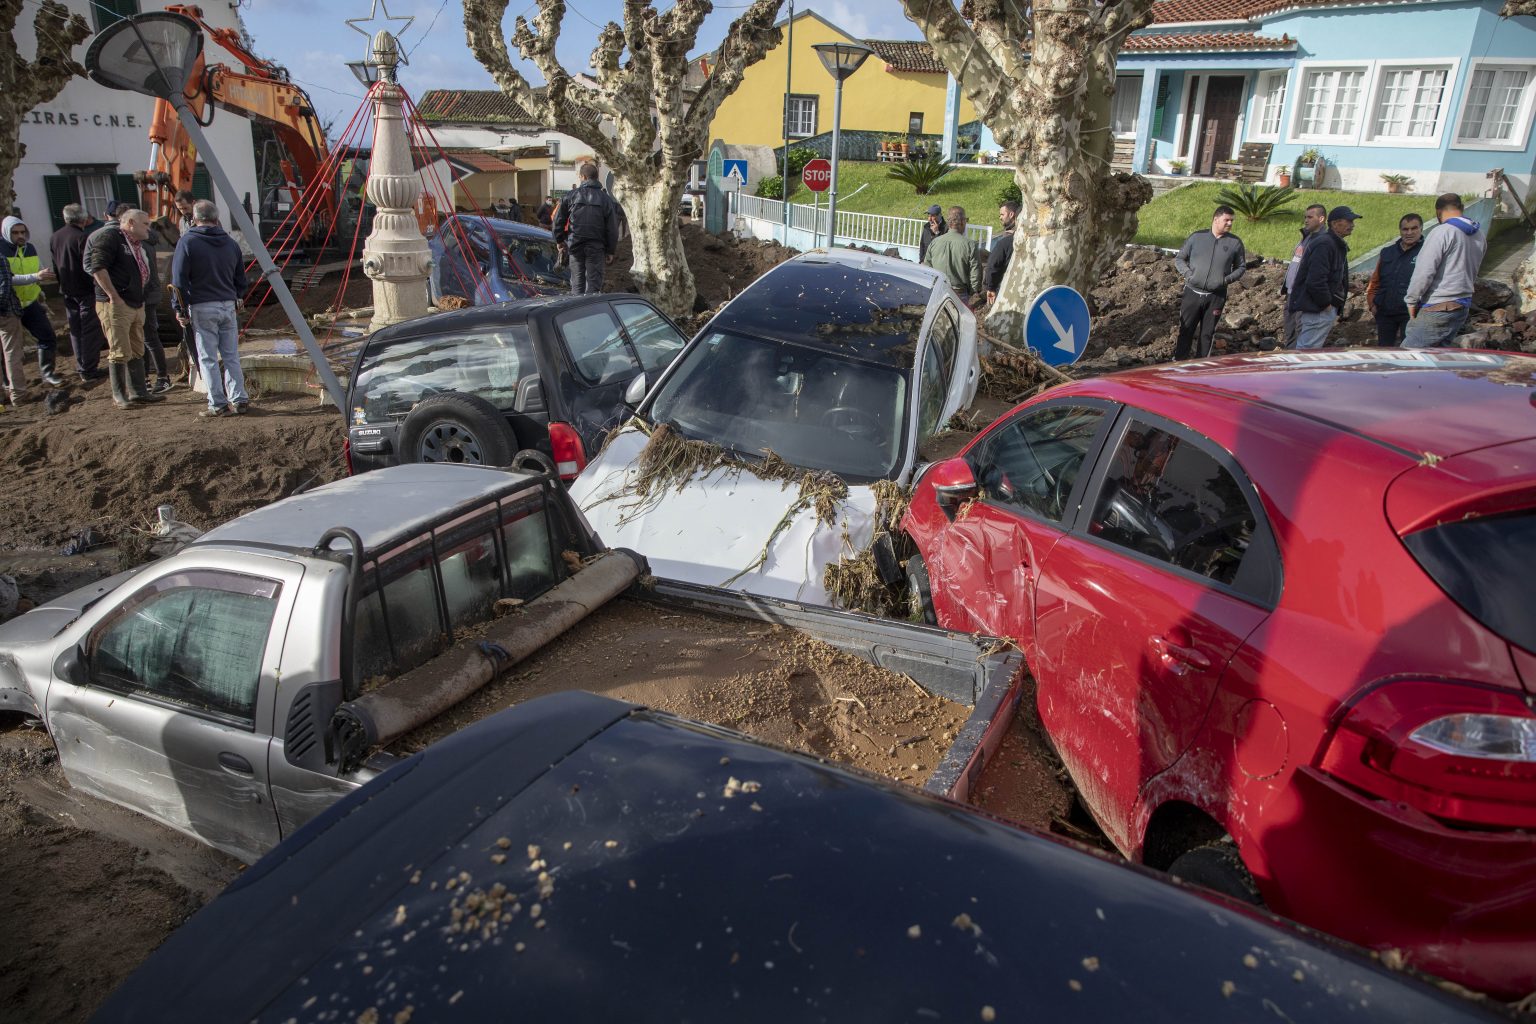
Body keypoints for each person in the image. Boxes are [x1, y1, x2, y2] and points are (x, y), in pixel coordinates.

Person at [173, 199, 251, 417]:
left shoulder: (187, 242)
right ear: (216, 219)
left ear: (195, 219)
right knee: (231, 355)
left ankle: (217, 403)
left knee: (207, 357)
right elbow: (241, 278)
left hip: (202, 304)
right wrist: (236, 296)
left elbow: (179, 280)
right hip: (227, 304)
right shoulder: (230, 243)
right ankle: (239, 398)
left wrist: (179, 308)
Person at [84, 206, 165, 410]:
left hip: (136, 302)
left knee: (137, 347)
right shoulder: (111, 238)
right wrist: (113, 296)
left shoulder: (137, 243)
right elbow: (97, 267)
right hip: (116, 304)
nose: (149, 228)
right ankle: (119, 395)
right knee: (119, 349)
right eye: (145, 224)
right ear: (130, 223)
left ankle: (138, 391)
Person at [1403, 193, 1488, 349]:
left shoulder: (1442, 232)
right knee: (1438, 358)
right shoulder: (1480, 235)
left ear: (1438, 211)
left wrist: (1411, 300)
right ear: (1461, 208)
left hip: (1439, 305)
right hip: (1462, 305)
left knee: (1409, 357)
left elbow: (1424, 272)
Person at [1173, 205, 1246, 360]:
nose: (1230, 224)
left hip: (1216, 296)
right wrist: (1188, 274)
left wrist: (1225, 280)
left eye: (1232, 221)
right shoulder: (1196, 238)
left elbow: (1241, 267)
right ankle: (1178, 363)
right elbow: (1180, 258)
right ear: (1216, 219)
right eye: (1227, 220)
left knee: (1207, 334)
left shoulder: (1235, 243)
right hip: (1192, 293)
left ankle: (1202, 366)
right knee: (1186, 330)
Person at [1, 216, 63, 387]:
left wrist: (40, 286)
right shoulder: (1, 250)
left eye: (23, 232)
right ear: (6, 232)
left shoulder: (30, 248)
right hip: (9, 305)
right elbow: (8, 279)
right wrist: (36, 276)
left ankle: (47, 373)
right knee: (8, 347)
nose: (20, 236)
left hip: (30, 302)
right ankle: (7, 382)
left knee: (47, 336)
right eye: (15, 232)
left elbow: (38, 270)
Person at [49, 203, 107, 383]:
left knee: (76, 329)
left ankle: (82, 364)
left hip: (67, 289)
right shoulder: (82, 238)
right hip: (85, 290)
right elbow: (90, 267)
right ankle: (88, 368)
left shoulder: (55, 237)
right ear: (83, 219)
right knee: (90, 329)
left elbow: (56, 265)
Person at [1288, 206, 1360, 350]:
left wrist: (1345, 285)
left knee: (1309, 351)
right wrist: (1326, 304)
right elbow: (1315, 280)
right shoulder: (1325, 244)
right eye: (1349, 221)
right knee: (1307, 353)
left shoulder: (1332, 243)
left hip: (1320, 309)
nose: (1352, 225)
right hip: (1318, 310)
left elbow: (1328, 274)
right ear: (1334, 223)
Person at [552, 162, 620, 295]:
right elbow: (612, 228)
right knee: (594, 286)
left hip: (575, 244)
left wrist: (559, 241)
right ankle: (591, 313)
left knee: (577, 285)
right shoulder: (606, 199)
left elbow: (558, 220)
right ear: (597, 177)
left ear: (582, 177)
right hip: (596, 247)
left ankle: (577, 313)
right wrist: (610, 250)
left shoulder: (570, 196)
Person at [0, 244, 55, 406]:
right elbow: (5, 284)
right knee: (12, 354)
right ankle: (18, 394)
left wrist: (35, 277)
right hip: (5, 312)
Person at [1365, 213, 1423, 348]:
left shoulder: (1427, 252)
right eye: (1405, 229)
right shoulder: (1387, 252)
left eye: (1414, 228)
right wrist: (1372, 304)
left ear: (1421, 229)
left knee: (1409, 351)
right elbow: (1375, 281)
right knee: (1384, 349)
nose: (1409, 232)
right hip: (1384, 312)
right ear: (1400, 230)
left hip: (1411, 313)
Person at [1279, 204, 1327, 347]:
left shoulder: (1323, 242)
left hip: (1304, 295)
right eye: (1305, 217)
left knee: (1301, 335)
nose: (1306, 220)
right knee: (1290, 332)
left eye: (1310, 217)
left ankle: (1296, 365)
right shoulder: (1306, 237)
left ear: (1321, 219)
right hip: (1291, 293)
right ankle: (1289, 364)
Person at [922, 206, 984, 306]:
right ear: (963, 222)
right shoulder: (970, 245)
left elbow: (927, 267)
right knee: (957, 320)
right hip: (959, 293)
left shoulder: (935, 242)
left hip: (938, 291)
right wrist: (973, 291)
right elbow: (975, 272)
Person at [985, 200, 1020, 305]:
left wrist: (990, 287)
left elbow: (993, 265)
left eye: (1002, 214)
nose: (1000, 217)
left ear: (1011, 214)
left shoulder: (1006, 240)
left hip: (1006, 287)